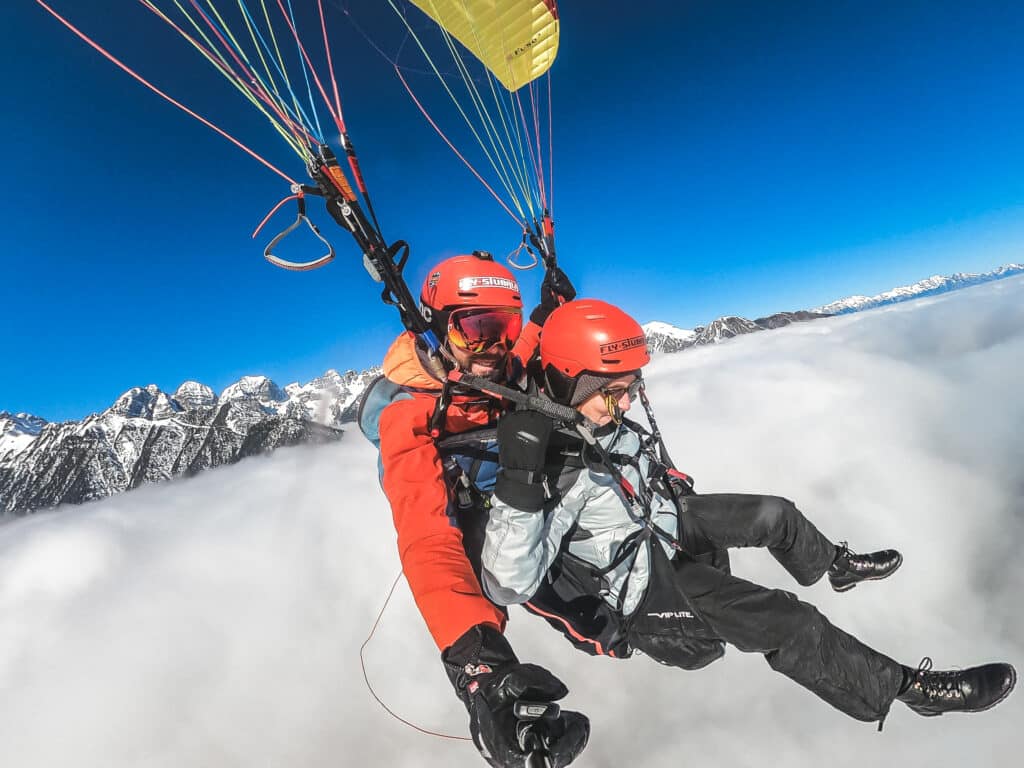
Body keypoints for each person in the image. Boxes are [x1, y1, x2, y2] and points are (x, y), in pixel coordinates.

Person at [481, 298, 1016, 744]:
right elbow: (509, 582)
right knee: (790, 621)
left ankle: (835, 565)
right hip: (646, 582)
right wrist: (521, 482)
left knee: (773, 514)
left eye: (630, 388)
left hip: (661, 520)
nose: (623, 405)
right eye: (612, 392)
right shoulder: (548, 469)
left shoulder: (589, 409)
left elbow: (619, 450)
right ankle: (911, 690)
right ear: (572, 382)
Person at [366, 251, 589, 768]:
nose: (495, 345)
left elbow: (514, 355)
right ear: (440, 328)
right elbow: (428, 539)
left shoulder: (497, 365)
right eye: (476, 328)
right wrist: (479, 666)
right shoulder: (407, 416)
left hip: (522, 510)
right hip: (479, 542)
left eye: (502, 326)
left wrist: (540, 316)